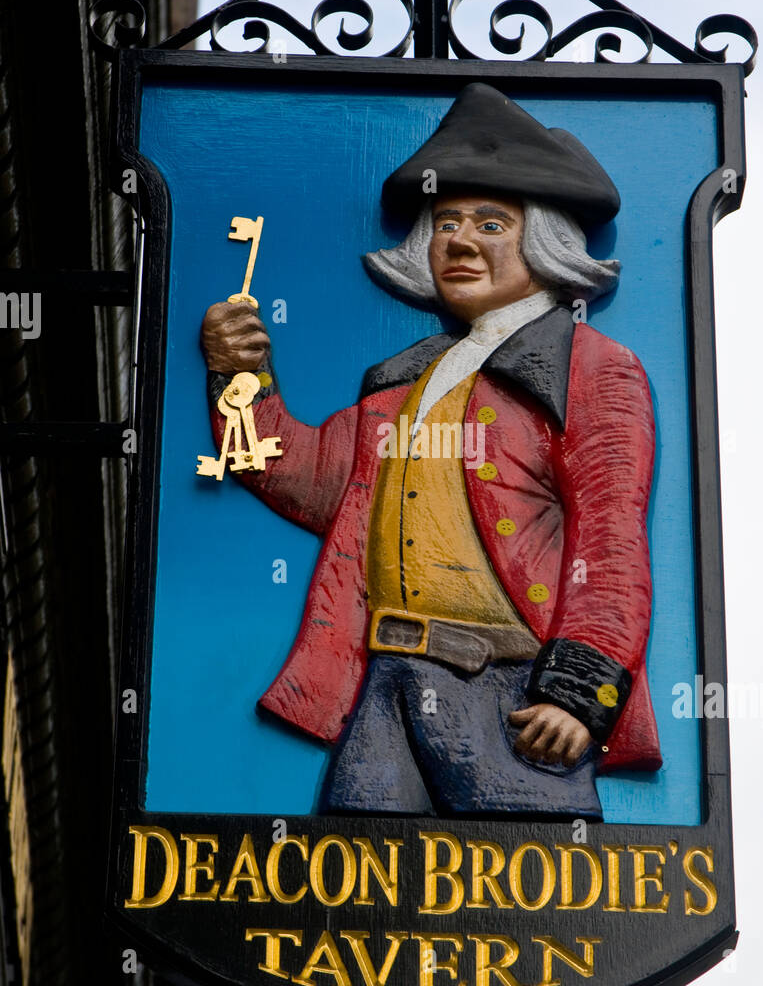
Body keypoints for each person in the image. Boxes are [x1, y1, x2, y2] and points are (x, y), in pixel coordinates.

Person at [200, 83, 660, 817]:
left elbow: (608, 547)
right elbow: (304, 474)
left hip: (511, 695)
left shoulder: (594, 368)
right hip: (387, 684)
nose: (461, 241)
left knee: (531, 906)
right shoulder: (408, 378)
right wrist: (240, 375)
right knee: (358, 904)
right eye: (446, 222)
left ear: (542, 238)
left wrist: (577, 694)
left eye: (489, 222)